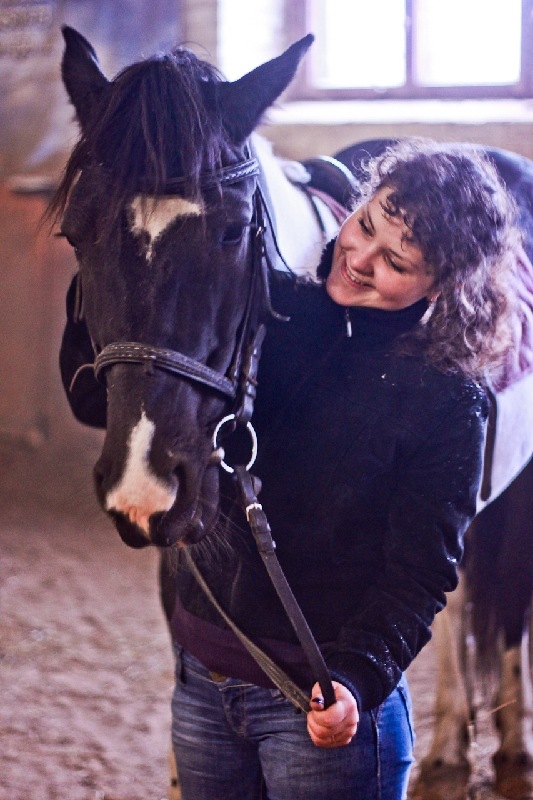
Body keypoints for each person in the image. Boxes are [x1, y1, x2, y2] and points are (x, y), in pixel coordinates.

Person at [59, 139, 521, 800]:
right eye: (364, 224)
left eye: (395, 261)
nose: (359, 258)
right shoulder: (264, 309)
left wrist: (358, 680)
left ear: (442, 286)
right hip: (203, 681)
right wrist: (105, 260)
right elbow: (91, 399)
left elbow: (420, 572)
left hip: (319, 707)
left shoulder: (447, 399)